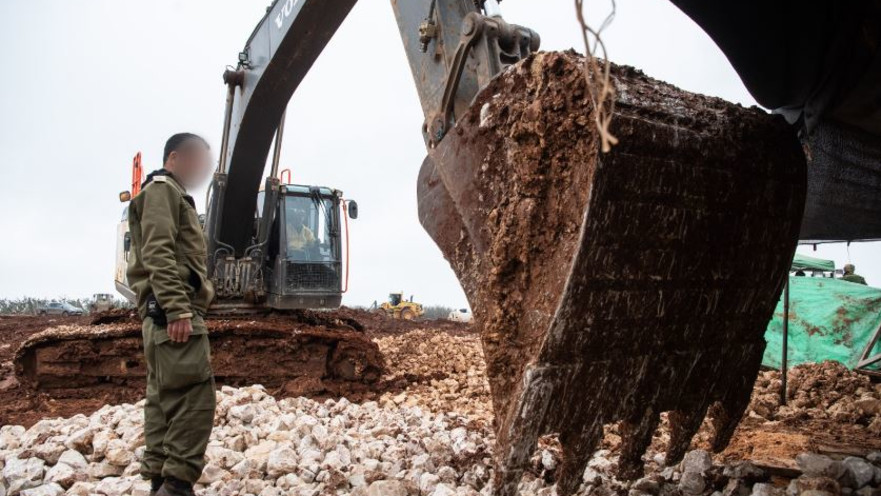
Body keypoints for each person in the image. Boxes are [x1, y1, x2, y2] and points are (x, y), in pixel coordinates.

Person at [126, 133, 216, 496]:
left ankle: (160, 482)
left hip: (161, 311)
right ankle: (176, 486)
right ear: (175, 158)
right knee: (195, 398)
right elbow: (159, 252)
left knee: (163, 398)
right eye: (198, 161)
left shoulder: (164, 192)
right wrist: (177, 308)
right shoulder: (164, 191)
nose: (203, 169)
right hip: (174, 310)